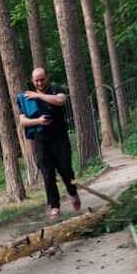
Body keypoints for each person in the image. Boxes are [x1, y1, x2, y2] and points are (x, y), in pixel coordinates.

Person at [17, 68, 81, 220]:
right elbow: (22, 121)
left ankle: (72, 192)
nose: (39, 82)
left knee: (66, 169)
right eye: (36, 80)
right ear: (32, 80)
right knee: (47, 174)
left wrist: (38, 96)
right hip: (41, 141)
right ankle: (54, 206)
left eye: (42, 79)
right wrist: (38, 121)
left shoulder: (56, 89)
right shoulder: (26, 97)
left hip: (60, 138)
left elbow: (60, 100)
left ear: (47, 78)